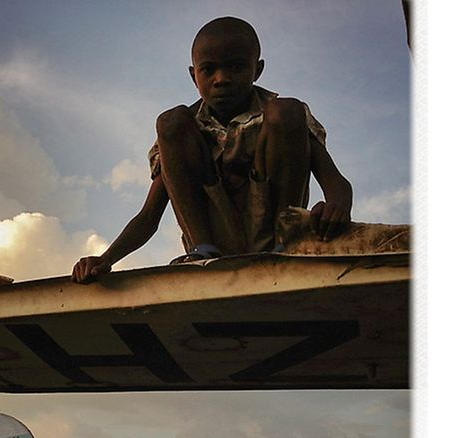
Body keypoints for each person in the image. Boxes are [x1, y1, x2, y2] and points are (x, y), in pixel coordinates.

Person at [72, 16, 353, 283]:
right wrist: (106, 258)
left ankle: (286, 241)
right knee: (170, 121)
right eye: (209, 70)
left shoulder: (279, 114)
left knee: (287, 111)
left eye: (236, 67)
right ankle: (203, 249)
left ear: (257, 69)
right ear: (194, 76)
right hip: (216, 237)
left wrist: (336, 208)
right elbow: (148, 217)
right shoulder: (185, 130)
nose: (221, 79)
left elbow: (337, 185)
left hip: (274, 229)